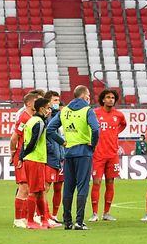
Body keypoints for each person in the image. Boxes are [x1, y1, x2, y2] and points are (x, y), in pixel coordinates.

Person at [47, 85, 100, 230]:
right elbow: (95, 129)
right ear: (84, 96)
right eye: (88, 95)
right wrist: (93, 144)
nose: (89, 98)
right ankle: (79, 222)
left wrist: (63, 142)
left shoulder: (64, 111)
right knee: (82, 187)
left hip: (68, 153)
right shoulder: (87, 110)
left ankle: (67, 222)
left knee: (68, 188)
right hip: (84, 152)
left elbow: (50, 129)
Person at [89, 89, 127, 222]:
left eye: (112, 97)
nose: (111, 99)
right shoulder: (95, 113)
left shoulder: (119, 115)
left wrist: (115, 133)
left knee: (110, 183)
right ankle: (94, 213)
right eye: (108, 97)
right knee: (97, 182)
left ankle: (106, 213)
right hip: (98, 154)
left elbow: (123, 125)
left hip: (112, 154)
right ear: (103, 99)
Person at [20, 98, 55, 229]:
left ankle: (44, 220)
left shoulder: (31, 121)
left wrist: (22, 156)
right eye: (48, 108)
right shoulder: (39, 122)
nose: (49, 110)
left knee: (40, 190)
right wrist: (25, 154)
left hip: (34, 160)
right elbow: (33, 142)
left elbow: (25, 141)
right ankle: (30, 221)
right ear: (41, 109)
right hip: (35, 160)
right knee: (34, 191)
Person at [9, 92, 39, 228]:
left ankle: (27, 217)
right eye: (36, 102)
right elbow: (14, 138)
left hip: (29, 156)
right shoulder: (24, 118)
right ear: (29, 103)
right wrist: (13, 153)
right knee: (24, 187)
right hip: (21, 156)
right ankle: (18, 219)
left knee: (29, 188)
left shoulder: (32, 117)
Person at [43, 90, 64, 224]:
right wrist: (52, 151)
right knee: (45, 187)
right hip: (50, 157)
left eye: (58, 100)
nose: (58, 103)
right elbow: (45, 136)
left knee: (58, 187)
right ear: (48, 102)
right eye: (55, 100)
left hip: (60, 157)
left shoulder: (60, 116)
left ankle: (52, 216)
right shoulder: (47, 118)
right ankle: (44, 215)